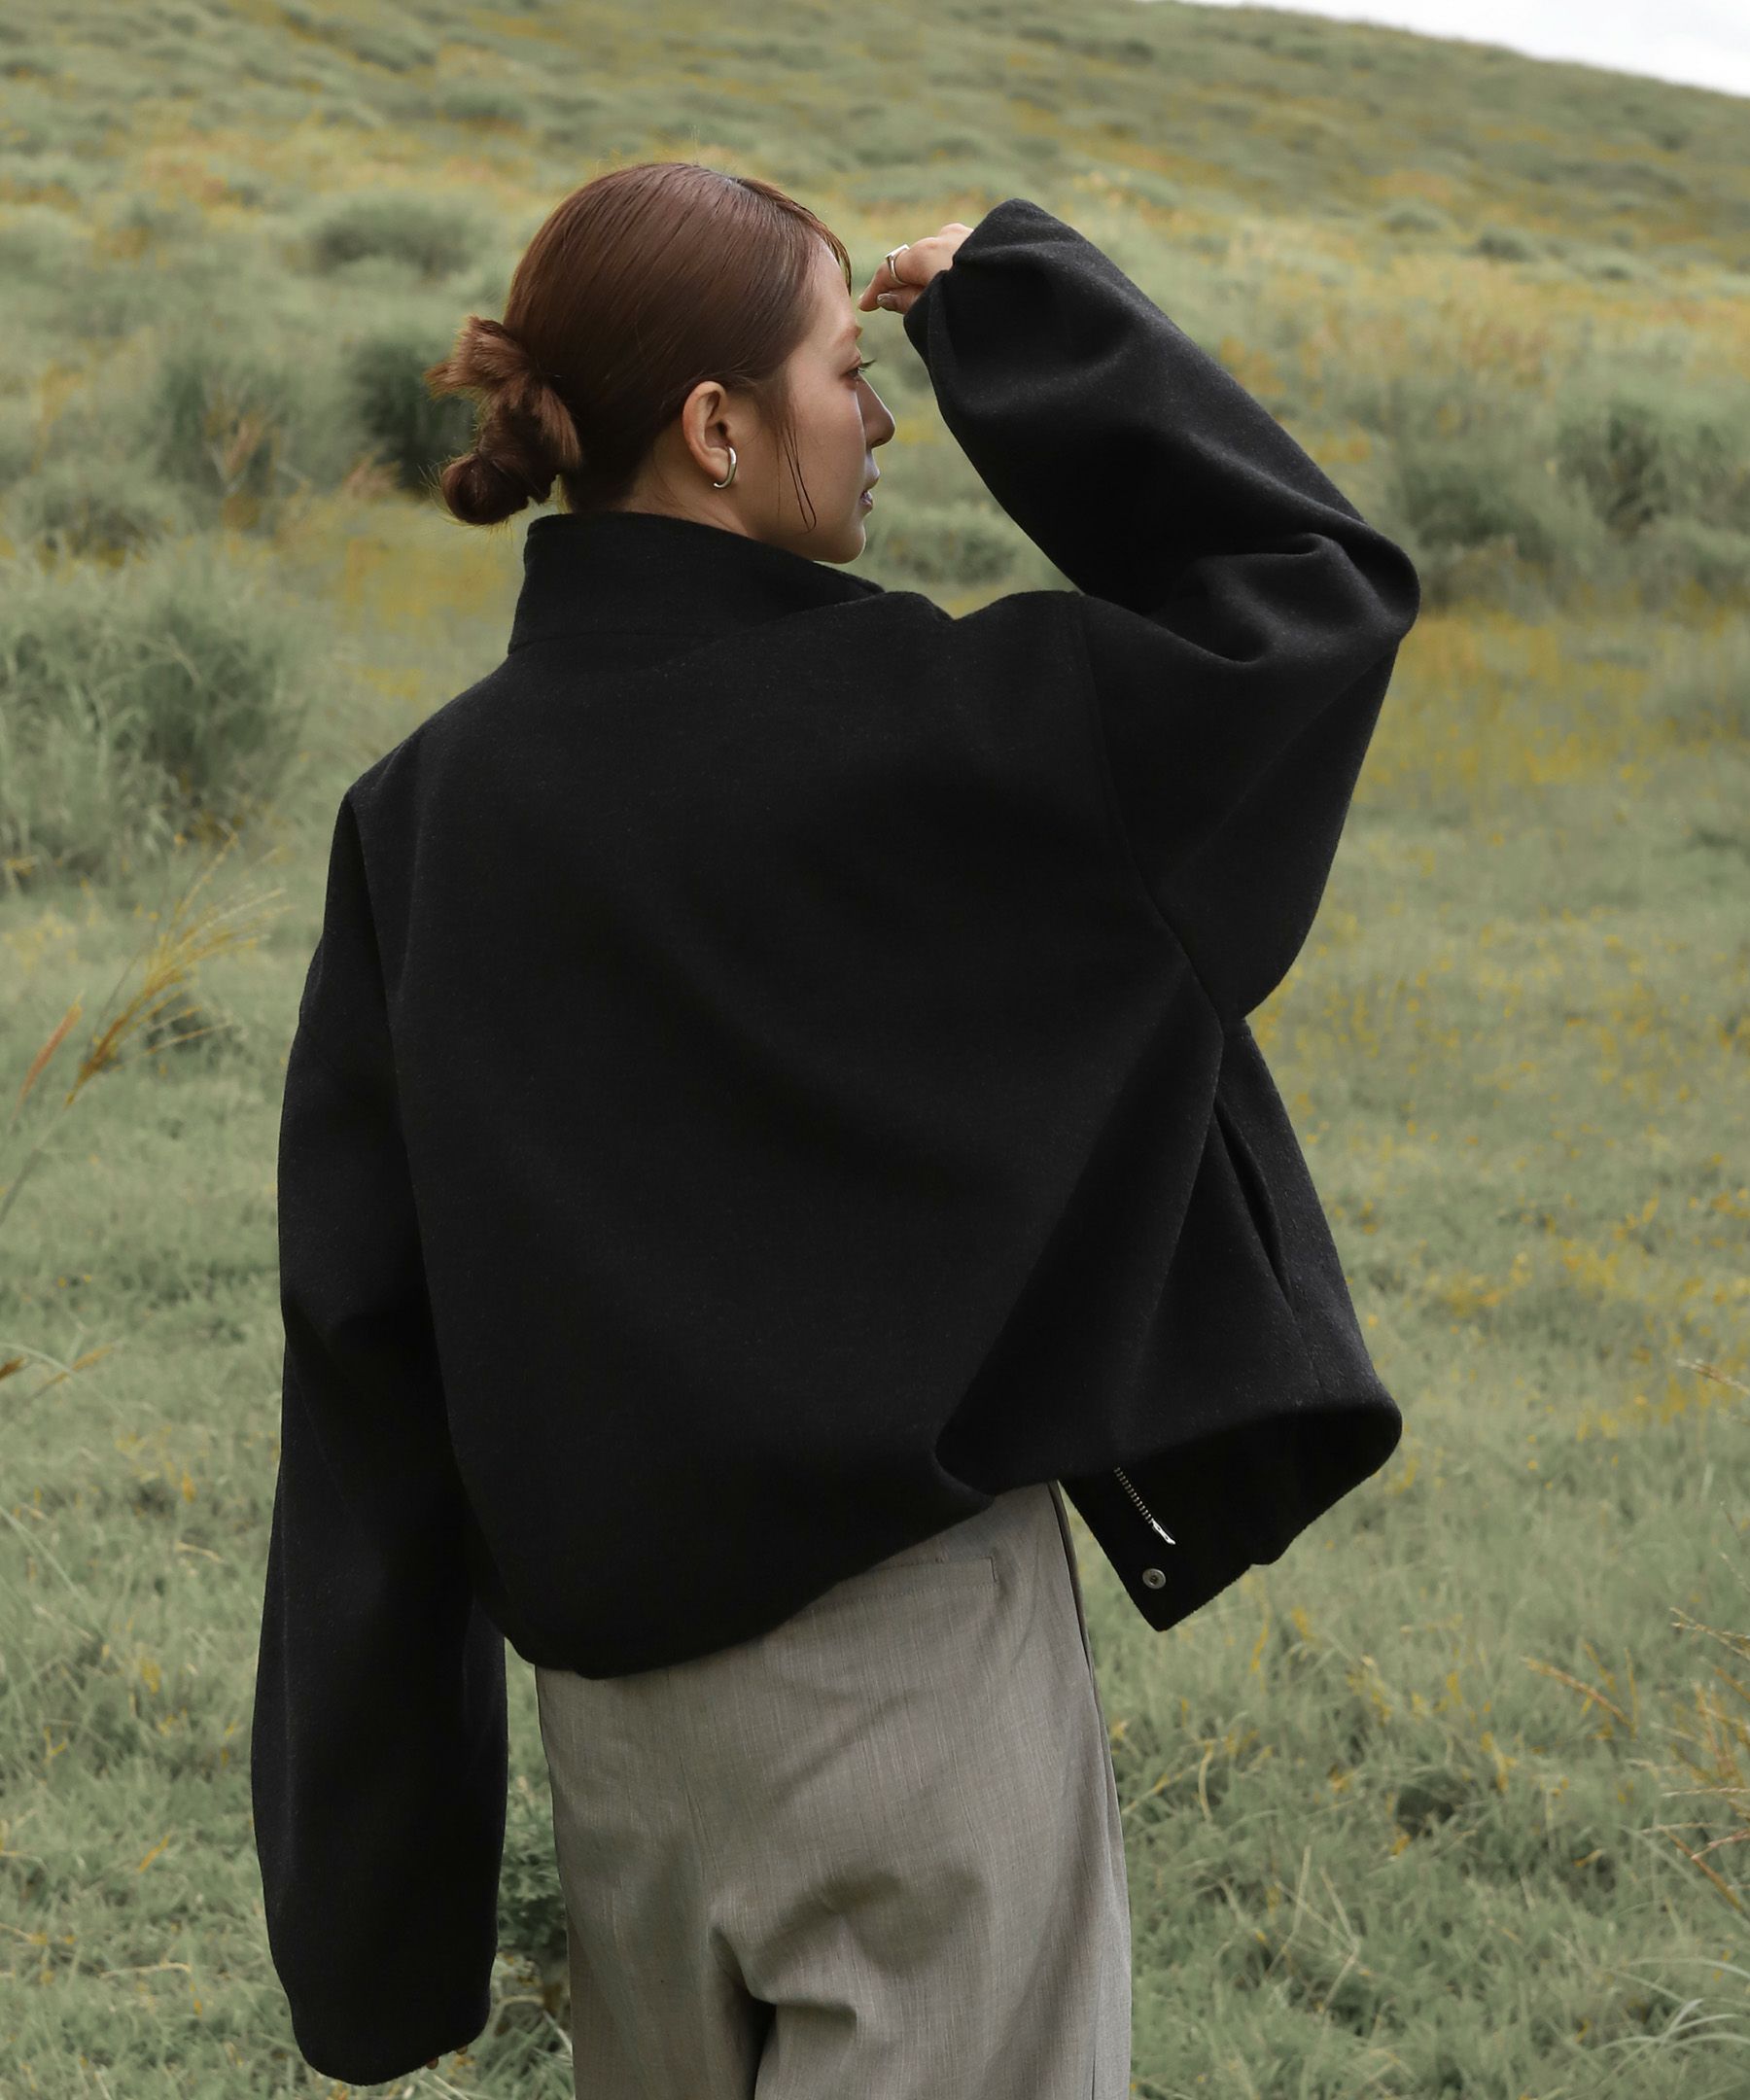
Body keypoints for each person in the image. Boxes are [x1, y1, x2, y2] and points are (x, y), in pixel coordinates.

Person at [252, 161, 1420, 2097]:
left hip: (622, 1757)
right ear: (717, 429)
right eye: (846, 371)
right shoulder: (941, 726)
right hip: (918, 1703)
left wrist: (379, 1925)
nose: (884, 418)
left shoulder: (423, 819)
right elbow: (1313, 601)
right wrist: (1024, 316)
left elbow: (363, 1359)